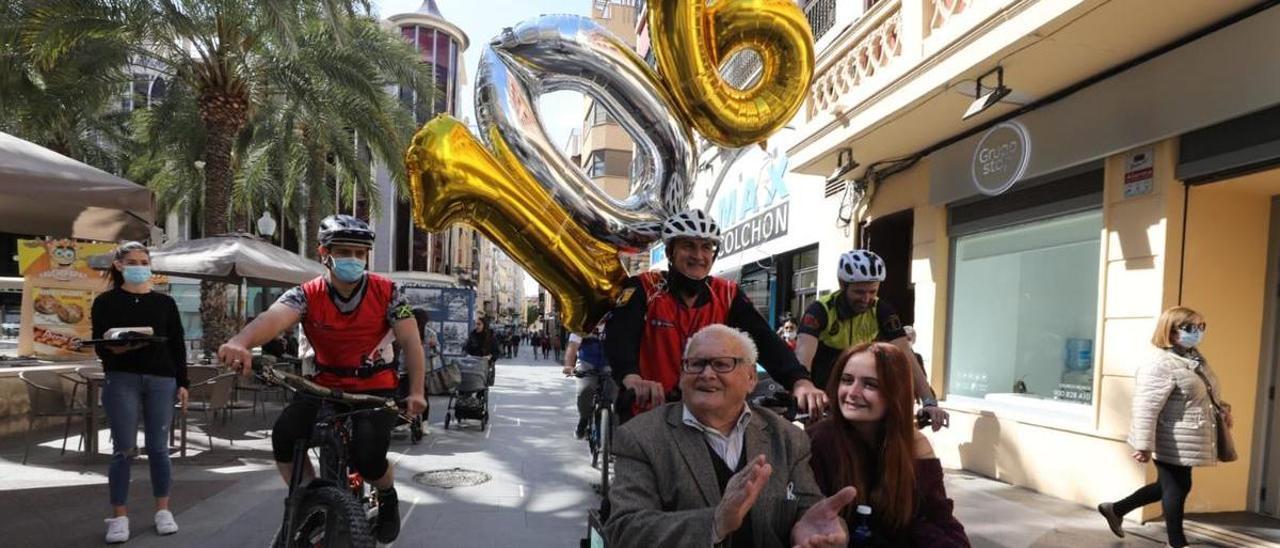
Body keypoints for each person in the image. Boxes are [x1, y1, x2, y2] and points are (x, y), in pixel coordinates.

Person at [217, 215, 425, 544]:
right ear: (323, 253)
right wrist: (240, 342)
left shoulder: (388, 292)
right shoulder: (307, 294)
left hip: (374, 390)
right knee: (286, 433)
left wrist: (416, 392)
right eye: (344, 252)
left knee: (369, 459)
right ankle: (308, 497)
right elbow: (272, 318)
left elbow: (412, 343)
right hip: (325, 385)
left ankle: (387, 494)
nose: (353, 260)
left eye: (360, 254)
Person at [606, 324, 857, 547]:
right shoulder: (641, 437)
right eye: (696, 364)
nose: (706, 374)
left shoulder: (788, 439)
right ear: (682, 376)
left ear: (750, 378)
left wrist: (810, 528)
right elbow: (625, 529)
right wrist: (714, 523)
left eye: (722, 364)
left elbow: (806, 507)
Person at [604, 208, 827, 416]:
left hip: (704, 413)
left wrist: (799, 381)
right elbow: (621, 336)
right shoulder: (644, 287)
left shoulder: (727, 294)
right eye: (688, 246)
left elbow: (764, 339)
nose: (698, 255)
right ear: (670, 252)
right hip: (649, 410)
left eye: (706, 247)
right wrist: (631, 377)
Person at [807, 342, 970, 547]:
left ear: (895, 393)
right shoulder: (818, 440)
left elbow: (935, 520)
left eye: (870, 384)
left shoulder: (914, 444)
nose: (853, 392)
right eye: (847, 380)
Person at [1097, 307, 1230, 548]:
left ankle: (1115, 509)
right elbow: (1145, 407)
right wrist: (1143, 445)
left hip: (1187, 435)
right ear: (1170, 331)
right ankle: (1177, 543)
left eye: (1201, 327)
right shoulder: (1160, 363)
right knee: (1178, 488)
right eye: (1190, 328)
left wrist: (1223, 409)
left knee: (1166, 487)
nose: (1197, 332)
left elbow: (1202, 395)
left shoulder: (1194, 358)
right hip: (1170, 437)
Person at [90, 241, 189, 544]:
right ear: (119, 265)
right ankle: (119, 516)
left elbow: (177, 345)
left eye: (143, 261)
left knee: (159, 449)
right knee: (123, 449)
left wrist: (183, 383)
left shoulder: (165, 304)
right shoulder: (105, 302)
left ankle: (163, 510)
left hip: (161, 379)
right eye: (131, 262)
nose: (138, 267)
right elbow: (99, 344)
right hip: (122, 378)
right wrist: (118, 347)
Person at [795, 250, 949, 431]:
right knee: (821, 442)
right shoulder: (820, 311)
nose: (866, 298)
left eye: (872, 291)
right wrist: (803, 394)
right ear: (843, 285)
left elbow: (906, 356)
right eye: (859, 292)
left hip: (857, 385)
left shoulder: (881, 310)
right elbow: (802, 358)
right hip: (823, 387)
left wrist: (929, 401)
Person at [562, 323, 614, 439]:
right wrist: (569, 366)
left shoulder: (615, 322)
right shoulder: (583, 322)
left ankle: (615, 431)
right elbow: (572, 346)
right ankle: (584, 419)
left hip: (609, 363)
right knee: (585, 391)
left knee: (616, 394)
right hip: (587, 363)